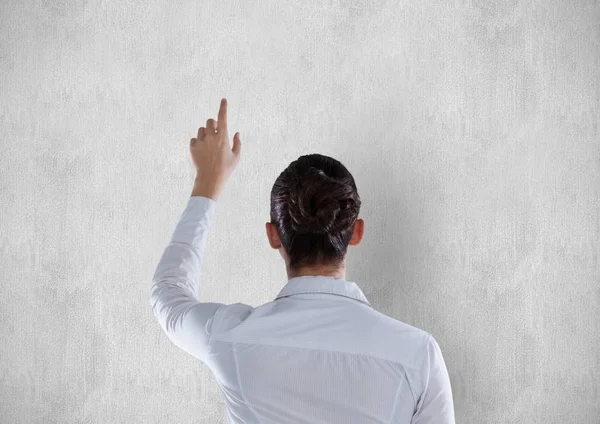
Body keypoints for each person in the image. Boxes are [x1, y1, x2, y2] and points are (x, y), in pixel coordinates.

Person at [150, 98, 455, 423]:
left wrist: (208, 183)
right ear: (356, 233)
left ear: (273, 236)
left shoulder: (230, 337)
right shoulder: (417, 354)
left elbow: (168, 293)